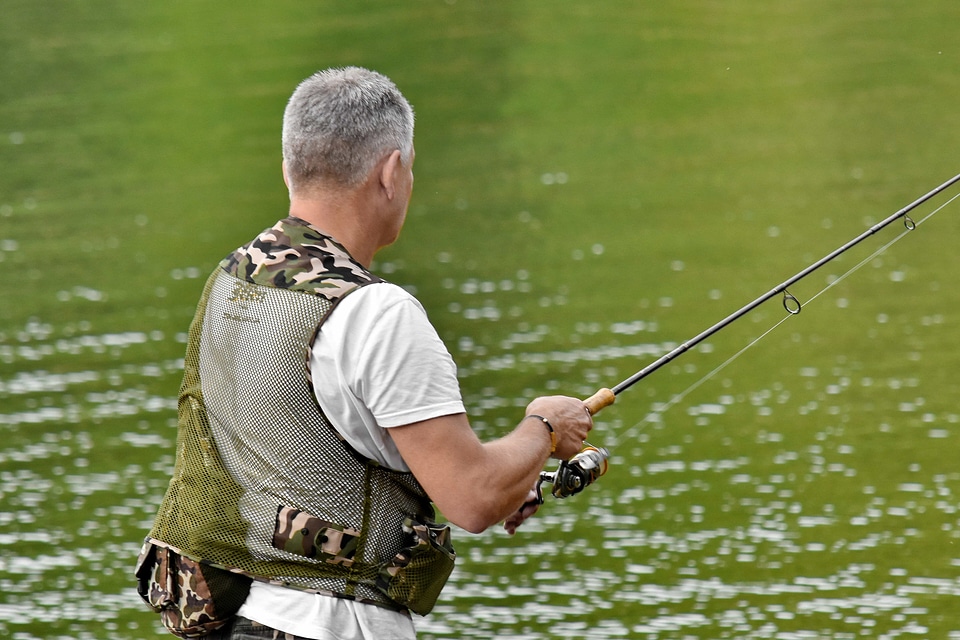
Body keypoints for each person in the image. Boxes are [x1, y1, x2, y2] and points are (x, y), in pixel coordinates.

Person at [136, 66, 593, 640]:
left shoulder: (232, 281)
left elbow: (299, 449)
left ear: (288, 167)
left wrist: (511, 472)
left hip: (237, 618)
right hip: (334, 625)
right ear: (392, 172)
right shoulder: (379, 314)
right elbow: (474, 499)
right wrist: (544, 426)